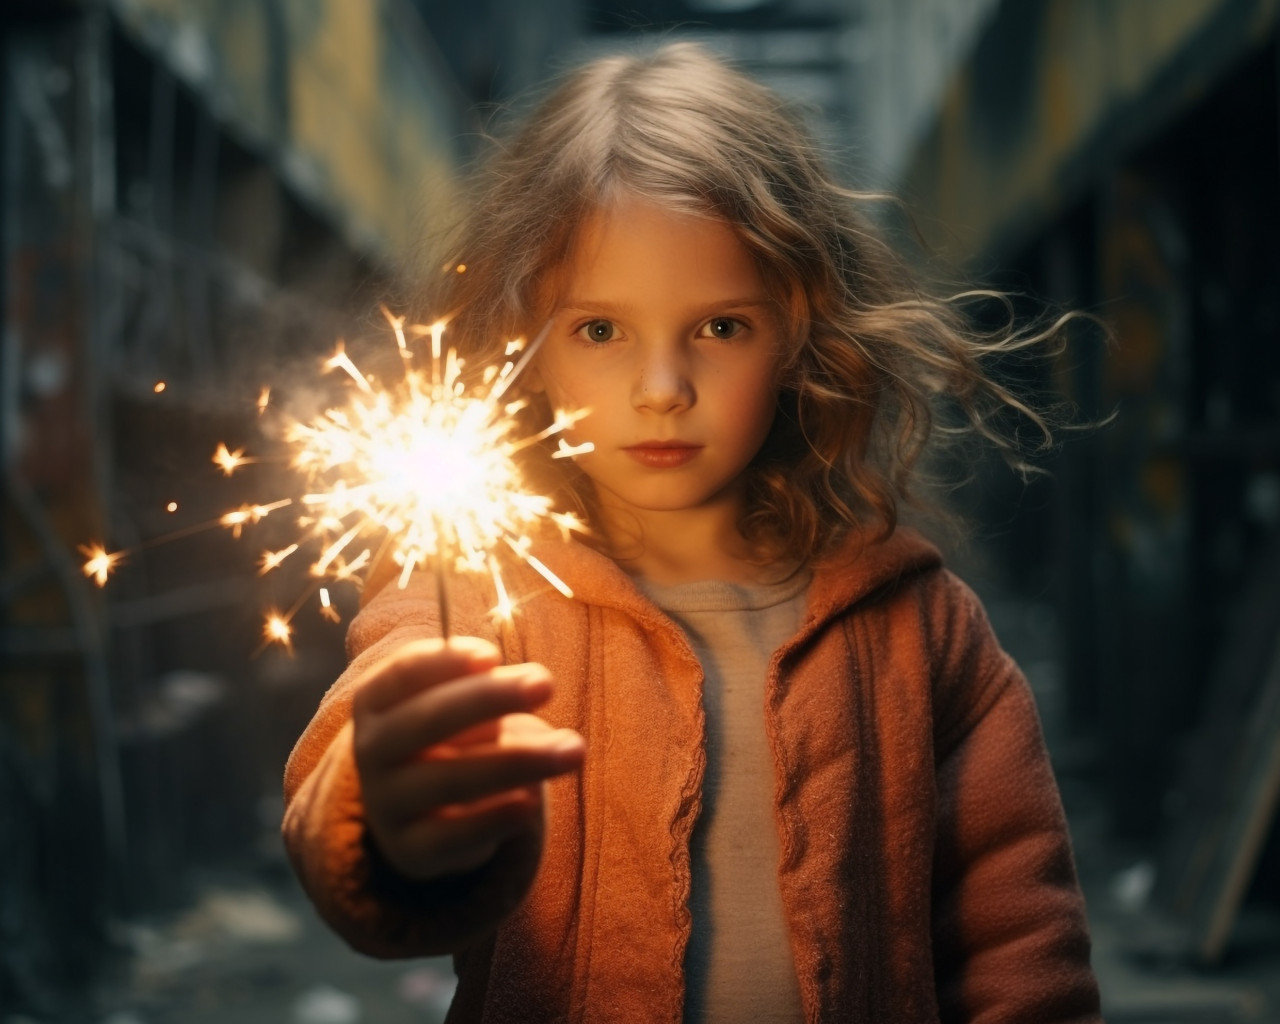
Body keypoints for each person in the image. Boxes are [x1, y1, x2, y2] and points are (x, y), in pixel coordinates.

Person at [283, 43, 1102, 1022]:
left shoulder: (922, 629)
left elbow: (1018, 942)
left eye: (719, 328)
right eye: (599, 329)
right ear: (525, 346)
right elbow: (345, 785)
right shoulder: (470, 600)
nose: (661, 389)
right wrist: (388, 821)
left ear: (799, 333)